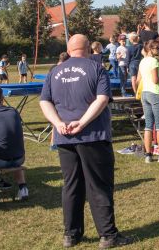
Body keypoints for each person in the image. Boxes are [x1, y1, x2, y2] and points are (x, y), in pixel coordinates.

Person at [40, 34, 132, 249]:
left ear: (69, 49)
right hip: (93, 136)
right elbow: (102, 100)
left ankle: (71, 235)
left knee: (71, 185)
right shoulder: (96, 68)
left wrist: (58, 123)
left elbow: (44, 101)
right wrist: (82, 123)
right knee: (98, 184)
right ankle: (108, 235)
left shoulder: (54, 71)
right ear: (88, 49)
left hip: (64, 137)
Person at [138, 39, 159, 163]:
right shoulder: (154, 62)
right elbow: (156, 80)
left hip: (145, 93)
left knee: (148, 126)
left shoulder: (142, 61)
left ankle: (148, 155)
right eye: (156, 48)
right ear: (150, 49)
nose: (158, 50)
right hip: (156, 93)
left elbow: (138, 79)